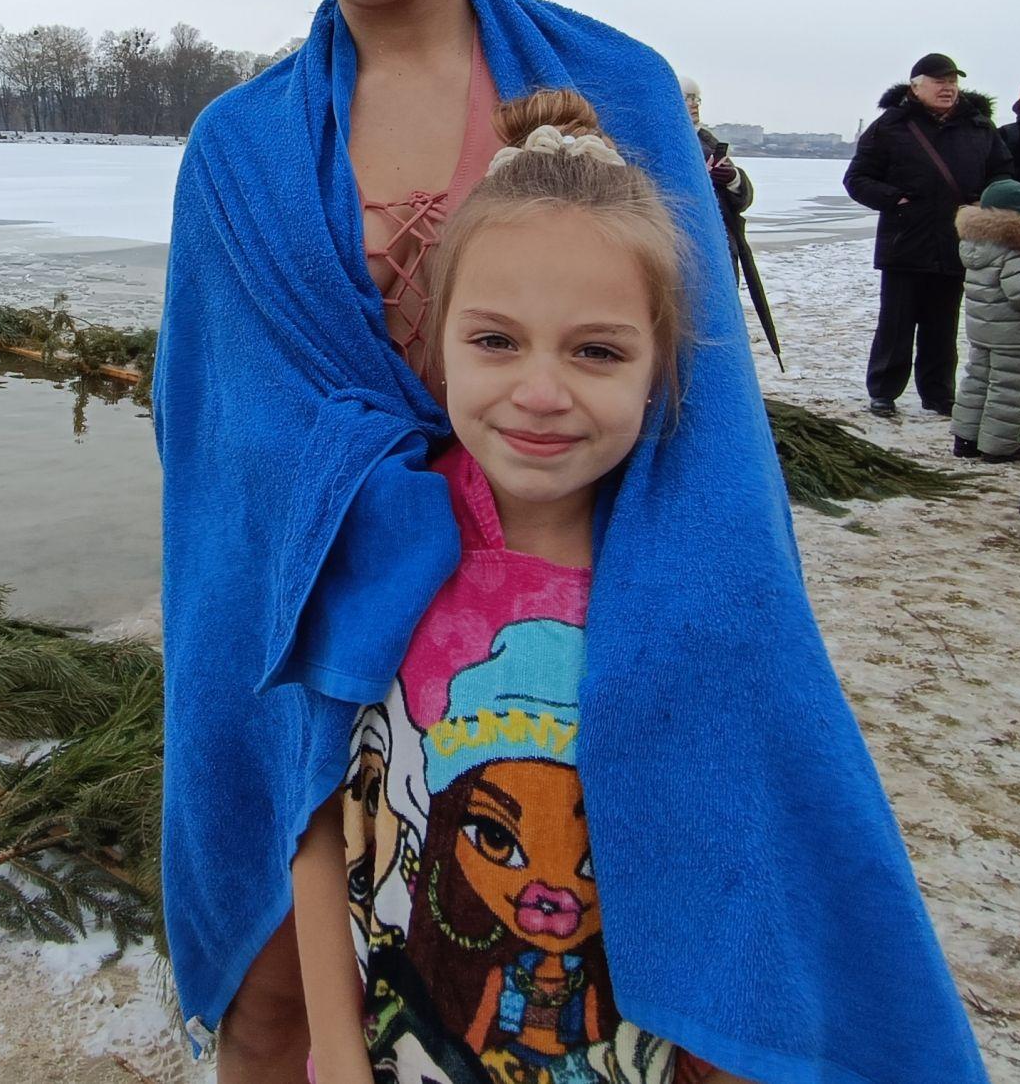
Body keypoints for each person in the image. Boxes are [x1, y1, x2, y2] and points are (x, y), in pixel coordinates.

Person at [158, 0, 986, 1084]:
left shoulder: (619, 82)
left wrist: (710, 648)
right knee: (283, 1013)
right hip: (337, 631)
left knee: (647, 976)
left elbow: (695, 411)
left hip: (580, 615)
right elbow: (226, 463)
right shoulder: (236, 154)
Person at [293, 91, 751, 1080]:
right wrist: (331, 1039)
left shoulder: (696, 588)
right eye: (495, 340)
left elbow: (741, 871)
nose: (539, 391)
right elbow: (312, 808)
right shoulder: (379, 542)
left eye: (595, 350)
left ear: (658, 367)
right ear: (436, 345)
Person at [843, 53, 1014, 417]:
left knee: (943, 325)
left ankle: (938, 395)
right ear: (916, 86)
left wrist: (985, 204)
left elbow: (1003, 174)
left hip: (958, 240)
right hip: (905, 238)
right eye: (939, 81)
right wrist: (896, 199)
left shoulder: (980, 128)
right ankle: (884, 391)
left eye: (952, 80)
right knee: (896, 323)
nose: (948, 87)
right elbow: (857, 179)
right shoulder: (890, 126)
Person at [950, 179, 1020, 463]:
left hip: (984, 328)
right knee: (1008, 389)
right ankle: (999, 448)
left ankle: (966, 440)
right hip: (1016, 333)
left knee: (976, 382)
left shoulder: (977, 241)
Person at [682, 75, 781, 365]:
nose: (694, 105)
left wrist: (733, 179)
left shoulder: (707, 141)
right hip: (685, 247)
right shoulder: (663, 142)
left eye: (696, 99)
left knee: (719, 317)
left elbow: (742, 201)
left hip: (721, 247)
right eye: (687, 99)